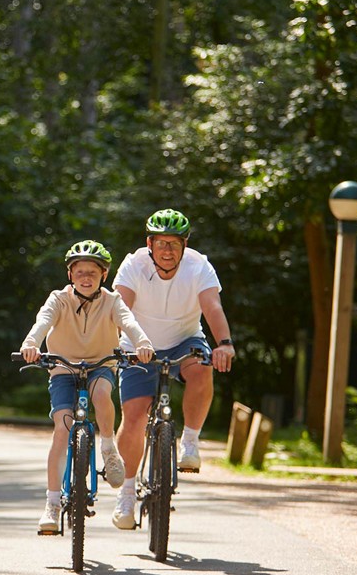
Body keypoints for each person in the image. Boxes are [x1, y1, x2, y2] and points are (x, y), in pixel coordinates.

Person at [110, 208, 235, 530]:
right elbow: (119, 309)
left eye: (174, 244)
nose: (168, 250)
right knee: (135, 417)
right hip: (138, 344)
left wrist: (224, 343)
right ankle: (126, 492)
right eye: (161, 243)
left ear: (184, 245)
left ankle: (190, 441)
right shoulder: (134, 264)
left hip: (184, 339)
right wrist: (114, 346)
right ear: (149, 243)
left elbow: (212, 306)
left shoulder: (198, 266)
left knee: (202, 369)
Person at [19, 240, 154, 534]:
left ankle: (108, 448)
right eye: (79, 271)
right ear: (70, 274)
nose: (86, 277)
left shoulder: (113, 300)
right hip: (63, 368)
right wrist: (31, 343)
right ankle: (52, 504)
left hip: (100, 364)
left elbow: (129, 322)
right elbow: (42, 322)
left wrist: (142, 343)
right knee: (61, 428)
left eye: (93, 272)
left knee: (102, 393)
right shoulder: (58, 299)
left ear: (103, 275)